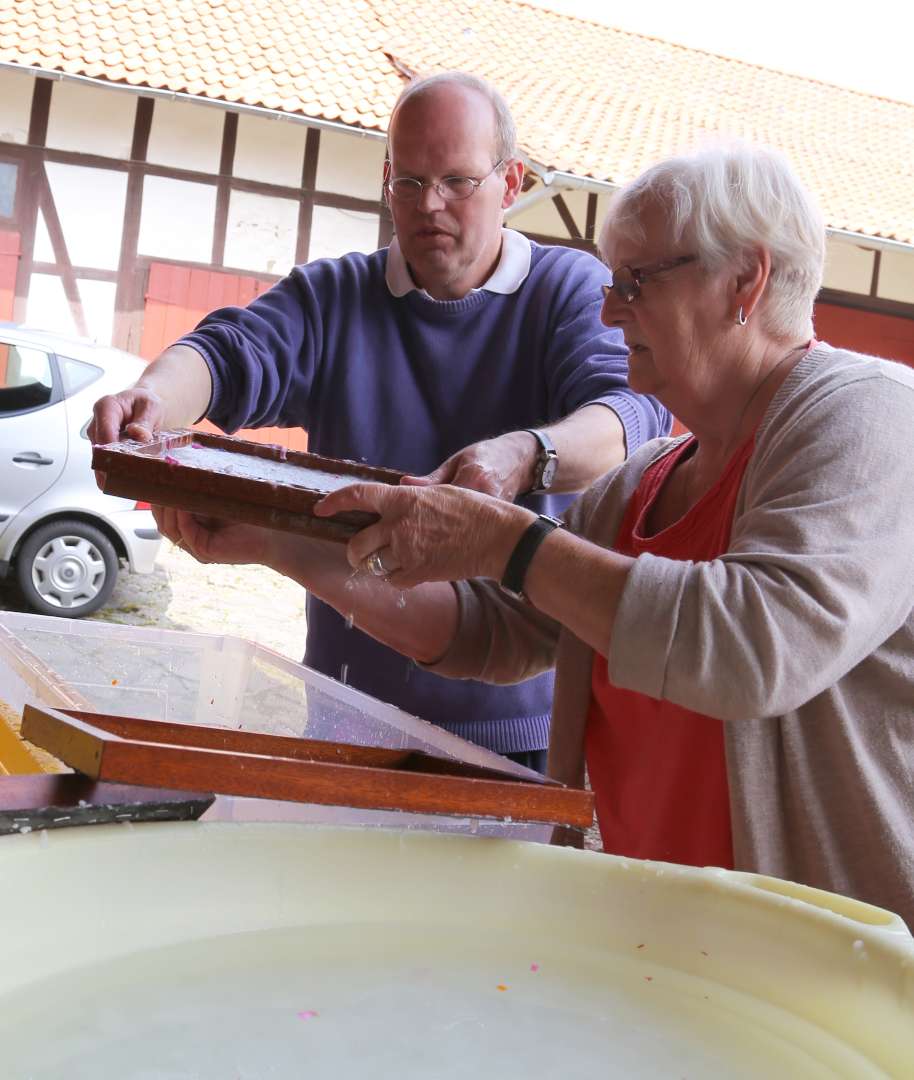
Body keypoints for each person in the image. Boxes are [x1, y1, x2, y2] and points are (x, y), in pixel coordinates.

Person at [156, 142, 914, 923]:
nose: (611, 309)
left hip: (835, 964)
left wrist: (507, 542)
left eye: (636, 282)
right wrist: (278, 543)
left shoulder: (868, 414)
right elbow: (487, 631)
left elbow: (754, 646)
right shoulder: (639, 486)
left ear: (744, 281)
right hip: (660, 945)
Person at [90, 72, 670, 770]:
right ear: (387, 178)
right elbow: (228, 352)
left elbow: (632, 417)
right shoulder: (333, 296)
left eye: (458, 181)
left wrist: (527, 453)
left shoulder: (567, 291)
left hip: (526, 728)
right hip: (347, 712)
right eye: (409, 182)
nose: (430, 206)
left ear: (510, 183)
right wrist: (153, 398)